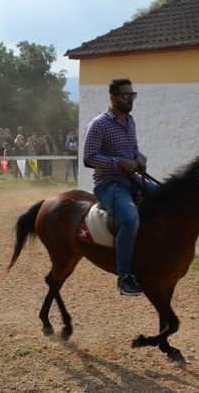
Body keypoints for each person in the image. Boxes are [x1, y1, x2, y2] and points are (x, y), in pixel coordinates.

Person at [83, 78, 155, 296]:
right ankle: (124, 277)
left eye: (132, 95)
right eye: (126, 95)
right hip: (109, 184)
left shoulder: (130, 122)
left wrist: (140, 158)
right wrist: (120, 163)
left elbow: (134, 150)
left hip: (132, 180)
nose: (130, 99)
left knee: (165, 199)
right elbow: (89, 158)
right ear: (113, 97)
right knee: (130, 219)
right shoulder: (99, 124)